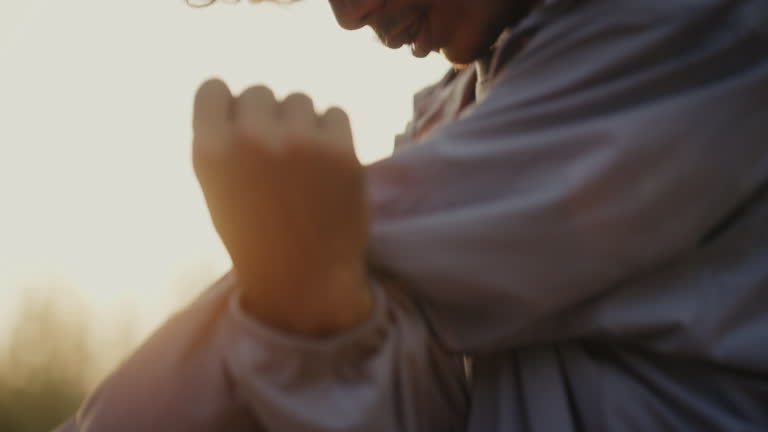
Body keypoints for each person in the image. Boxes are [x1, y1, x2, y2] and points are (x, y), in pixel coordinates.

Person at [56, 0, 768, 430]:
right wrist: (323, 324)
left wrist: (301, 287)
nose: (349, 12)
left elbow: (344, 249)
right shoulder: (454, 106)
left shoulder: (687, 24)